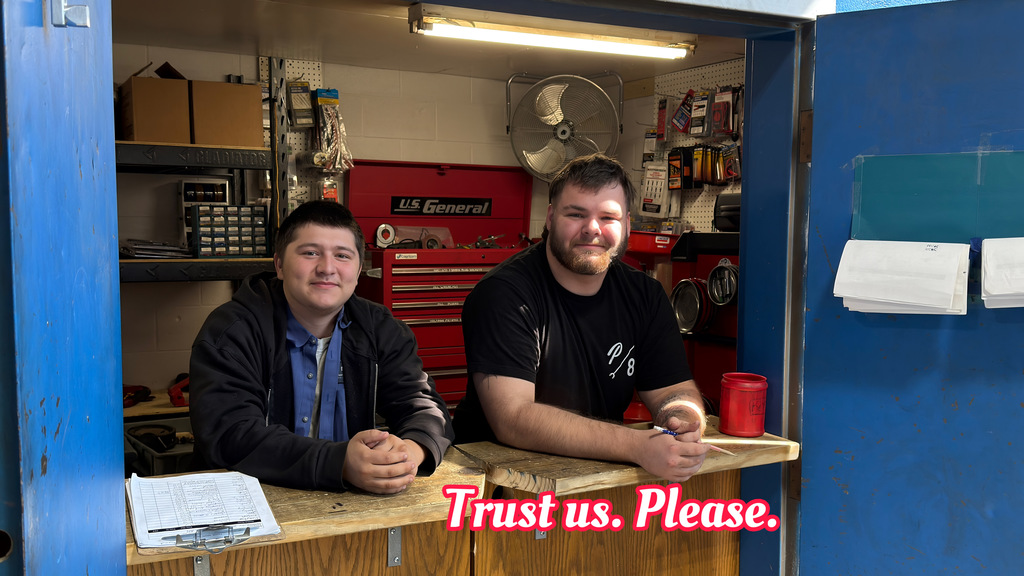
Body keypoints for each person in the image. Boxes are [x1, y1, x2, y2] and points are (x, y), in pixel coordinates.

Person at [453, 154, 709, 483]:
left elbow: (673, 389)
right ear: (549, 218)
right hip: (499, 486)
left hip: (594, 477)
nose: (592, 228)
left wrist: (682, 418)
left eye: (608, 217)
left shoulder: (644, 295)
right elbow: (513, 418)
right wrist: (636, 446)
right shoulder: (505, 295)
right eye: (576, 214)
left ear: (627, 225)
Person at [189, 200, 454, 494]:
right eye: (310, 253)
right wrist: (339, 463)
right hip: (252, 503)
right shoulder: (232, 331)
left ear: (357, 270)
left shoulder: (382, 329)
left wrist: (408, 454)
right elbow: (230, 435)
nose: (327, 268)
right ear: (279, 265)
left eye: (342, 255)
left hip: (350, 505)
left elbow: (426, 410)